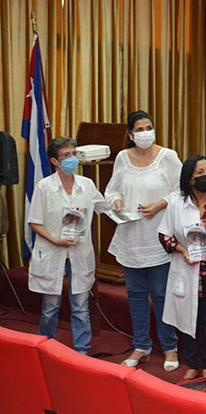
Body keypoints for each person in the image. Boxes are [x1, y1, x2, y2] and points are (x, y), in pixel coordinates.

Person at [105, 110, 181, 370]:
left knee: (160, 294)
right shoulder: (122, 158)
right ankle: (141, 345)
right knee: (136, 295)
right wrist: (114, 201)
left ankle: (170, 347)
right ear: (130, 134)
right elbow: (112, 189)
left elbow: (181, 190)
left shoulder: (167, 156)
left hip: (158, 238)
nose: (146, 132)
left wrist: (160, 204)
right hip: (130, 238)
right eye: (140, 128)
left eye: (149, 127)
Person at [27, 137, 107, 354]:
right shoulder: (44, 187)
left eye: (73, 154)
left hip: (79, 253)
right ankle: (46, 348)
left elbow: (104, 207)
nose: (72, 159)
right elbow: (34, 221)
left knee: (81, 306)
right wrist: (55, 240)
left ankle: (82, 350)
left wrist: (119, 204)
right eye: (66, 156)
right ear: (54, 161)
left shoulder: (87, 185)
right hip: (53, 250)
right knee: (50, 307)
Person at [158, 155, 206, 381]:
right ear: (189, 179)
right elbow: (164, 235)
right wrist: (182, 250)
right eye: (199, 172)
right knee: (188, 321)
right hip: (186, 270)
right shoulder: (176, 202)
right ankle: (192, 364)